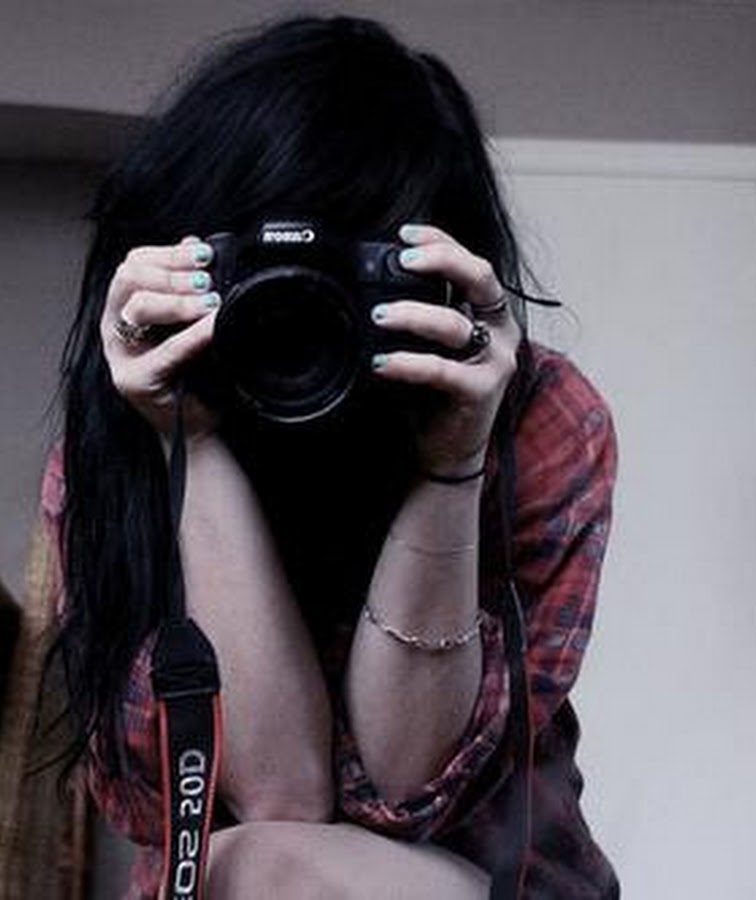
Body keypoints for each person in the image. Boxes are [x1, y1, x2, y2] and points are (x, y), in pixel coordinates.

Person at [37, 14, 620, 899]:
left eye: (349, 269)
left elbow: (405, 785)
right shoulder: (119, 442)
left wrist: (452, 461)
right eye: (258, 267)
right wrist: (189, 438)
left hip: (489, 881)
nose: (301, 306)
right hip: (234, 885)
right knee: (250, 866)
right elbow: (280, 795)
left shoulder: (538, 418)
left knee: (260, 867)